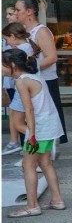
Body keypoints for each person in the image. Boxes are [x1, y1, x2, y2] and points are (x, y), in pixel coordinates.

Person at [3, 48, 65, 217]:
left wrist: (31, 135)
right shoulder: (34, 76)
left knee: (27, 164)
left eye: (2, 65)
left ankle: (31, 206)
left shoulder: (22, 81)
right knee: (45, 163)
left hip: (40, 129)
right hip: (49, 125)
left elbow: (28, 109)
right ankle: (57, 200)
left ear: (13, 66)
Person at [13, 0, 67, 145]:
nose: (15, 13)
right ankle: (32, 151)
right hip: (31, 81)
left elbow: (52, 57)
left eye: (18, 10)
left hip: (44, 81)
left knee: (42, 117)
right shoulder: (24, 31)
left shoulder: (41, 31)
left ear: (29, 11)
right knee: (29, 116)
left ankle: (44, 153)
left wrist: (30, 68)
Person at [2, 23, 35, 155]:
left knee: (18, 122)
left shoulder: (23, 49)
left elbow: (13, 70)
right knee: (15, 118)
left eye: (6, 39)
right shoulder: (25, 47)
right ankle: (17, 142)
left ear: (13, 36)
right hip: (19, 87)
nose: (7, 43)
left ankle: (39, 139)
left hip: (21, 88)